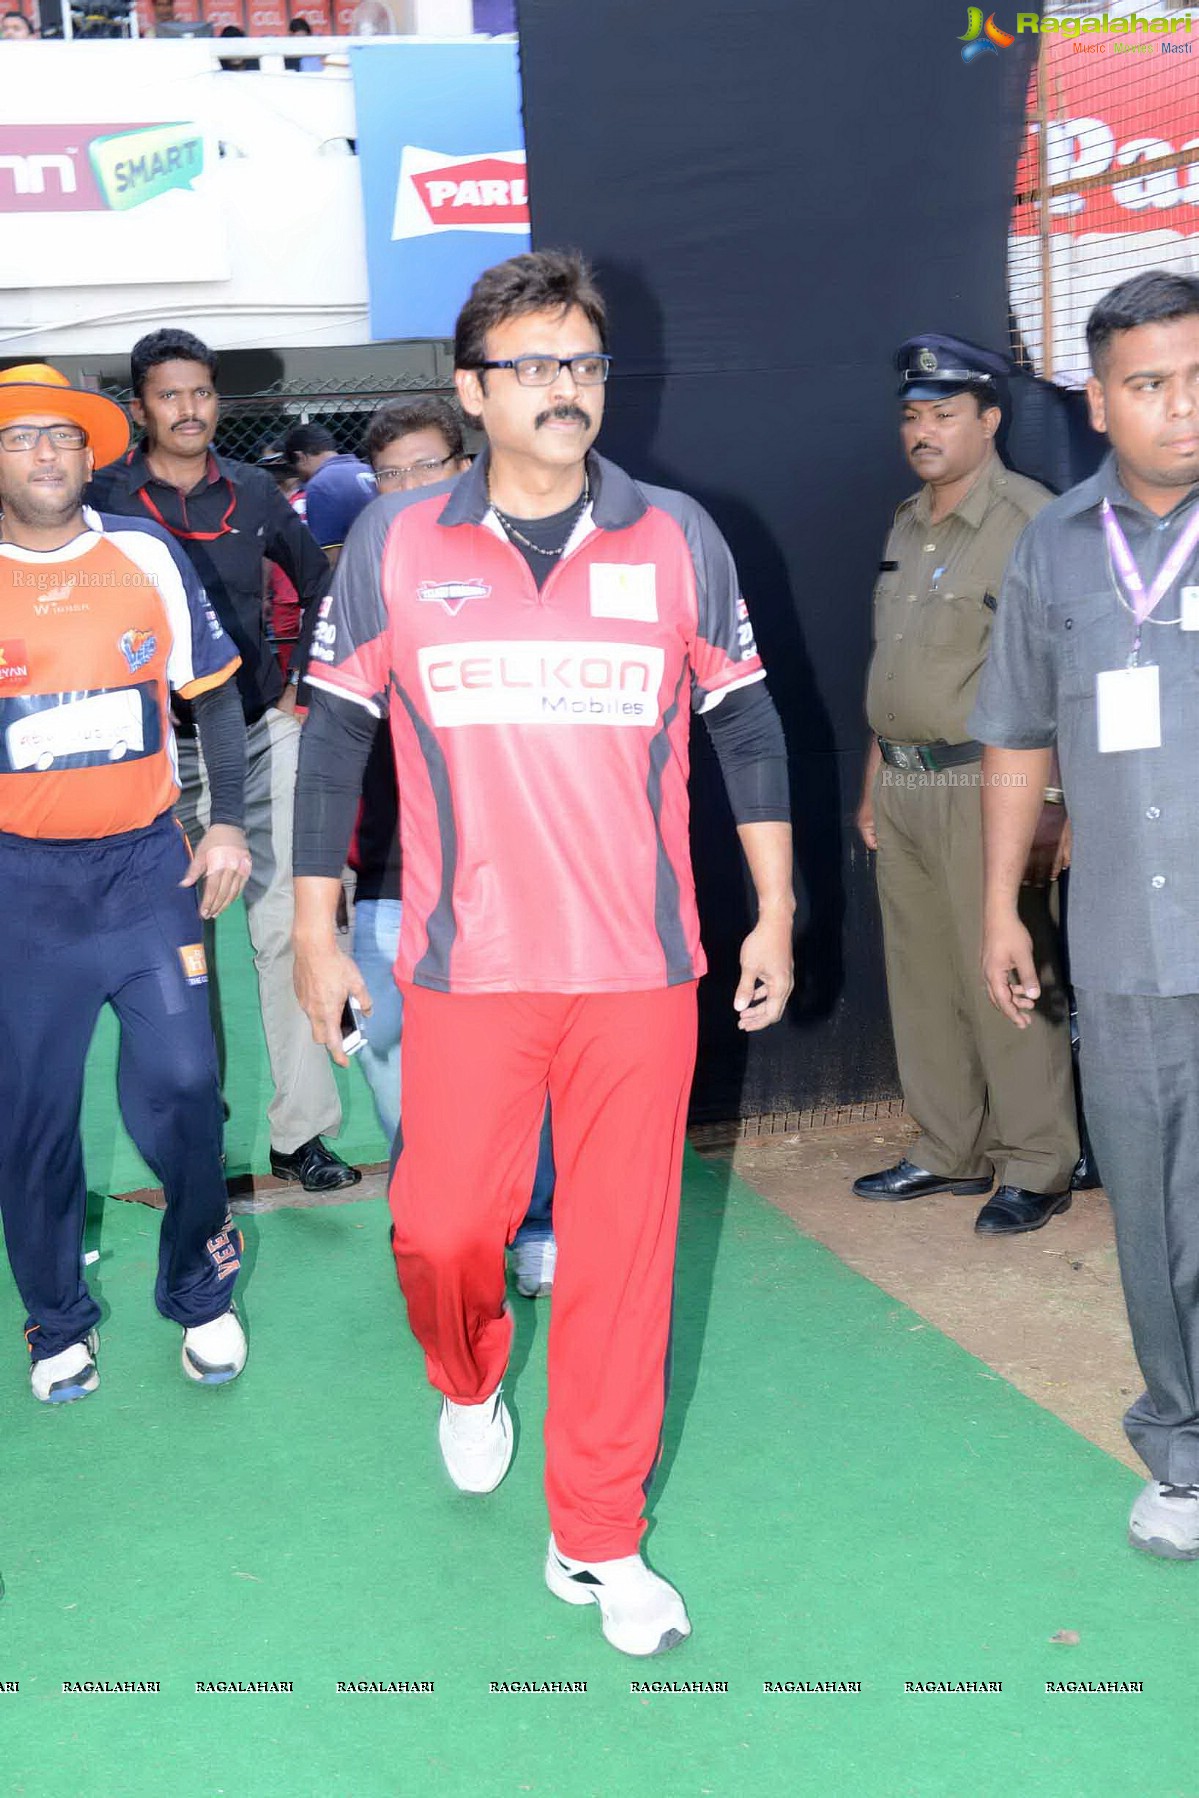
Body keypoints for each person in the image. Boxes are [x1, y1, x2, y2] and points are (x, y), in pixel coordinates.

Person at [291, 250, 794, 1655]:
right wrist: (316, 927)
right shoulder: (393, 543)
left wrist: (772, 903)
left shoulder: (677, 535)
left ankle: (596, 1539)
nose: (563, 389)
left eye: (581, 363)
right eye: (531, 366)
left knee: (622, 1258)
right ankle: (467, 1379)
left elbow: (744, 725)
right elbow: (332, 736)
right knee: (442, 1228)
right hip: (466, 968)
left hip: (640, 968)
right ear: (470, 392)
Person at [974, 270, 1199, 1560]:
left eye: (1194, 375)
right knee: (1157, 1216)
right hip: (1122, 944)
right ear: (1098, 401)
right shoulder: (1053, 545)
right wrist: (1004, 901)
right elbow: (1012, 735)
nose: (1180, 405)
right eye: (1149, 383)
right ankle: (1179, 1446)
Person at [0, 364, 251, 1401]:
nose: (46, 453)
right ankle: (57, 1318)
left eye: (62, 435)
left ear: (89, 450)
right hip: (22, 889)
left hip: (148, 867)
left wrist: (228, 820)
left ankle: (199, 1284)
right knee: (31, 1116)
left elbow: (219, 699)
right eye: (21, 438)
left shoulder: (142, 549)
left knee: (190, 1084)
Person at [87, 330, 358, 1194]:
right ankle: (194, 1143)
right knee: (176, 951)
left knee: (290, 931)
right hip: (152, 752)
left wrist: (304, 689)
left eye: (201, 393)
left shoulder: (252, 492)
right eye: (170, 395)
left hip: (255, 732)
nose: (189, 409)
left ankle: (301, 1135)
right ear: (141, 408)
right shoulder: (100, 500)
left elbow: (323, 588)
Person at [852, 333, 1078, 1234]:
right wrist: (875, 775)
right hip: (907, 782)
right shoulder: (906, 520)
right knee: (923, 975)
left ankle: (1037, 1160)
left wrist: (1054, 807)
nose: (923, 429)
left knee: (1004, 970)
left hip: (988, 784)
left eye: (943, 413)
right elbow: (896, 665)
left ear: (989, 419)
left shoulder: (1033, 521)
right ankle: (947, 1147)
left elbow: (1063, 674)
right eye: (911, 414)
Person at [354, 396, 558, 1298]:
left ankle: (539, 1223)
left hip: (503, 884)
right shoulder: (361, 578)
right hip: (389, 888)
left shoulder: (515, 574)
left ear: (463, 465)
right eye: (388, 474)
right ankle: (437, 1229)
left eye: (423, 468)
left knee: (523, 1074)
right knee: (399, 1081)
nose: (404, 488)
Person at [282, 424, 375, 566]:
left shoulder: (320, 484)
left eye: (296, 468)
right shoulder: (369, 470)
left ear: (300, 457)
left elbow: (330, 556)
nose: (299, 477)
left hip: (360, 573)